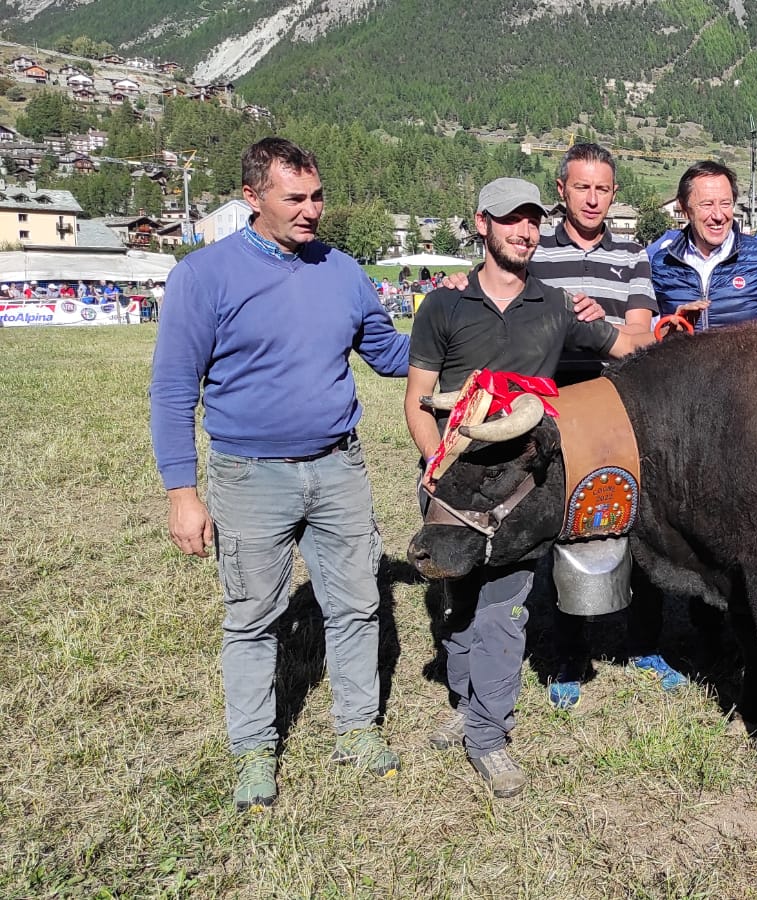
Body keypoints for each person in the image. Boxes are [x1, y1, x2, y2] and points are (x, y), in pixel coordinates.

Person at [149, 137, 409, 812]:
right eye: (294, 198)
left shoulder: (343, 271)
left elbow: (387, 354)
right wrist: (183, 492)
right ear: (251, 197)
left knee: (356, 604)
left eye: (317, 195)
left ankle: (356, 732)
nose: (311, 210)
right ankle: (255, 751)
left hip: (338, 469)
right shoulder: (203, 277)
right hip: (248, 477)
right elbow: (174, 389)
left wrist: (465, 331)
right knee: (253, 619)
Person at [403, 177, 658, 797]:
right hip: (449, 480)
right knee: (455, 599)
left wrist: (649, 330)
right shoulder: (444, 306)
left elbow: (632, 344)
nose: (523, 230)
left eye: (531, 220)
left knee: (502, 607)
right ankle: (465, 705)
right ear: (481, 224)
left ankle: (487, 734)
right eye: (509, 219)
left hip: (520, 491)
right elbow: (417, 399)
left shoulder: (557, 305)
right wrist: (439, 469)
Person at [534, 143, 684, 711]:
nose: (593, 198)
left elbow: (643, 338)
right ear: (561, 191)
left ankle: (644, 641)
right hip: (556, 405)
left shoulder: (633, 256)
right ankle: (567, 652)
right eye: (582, 187)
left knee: (639, 523)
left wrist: (607, 323)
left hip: (622, 408)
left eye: (603, 189)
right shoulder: (536, 253)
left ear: (614, 194)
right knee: (565, 526)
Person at [648, 160, 757, 327]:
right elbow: (650, 336)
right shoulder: (660, 264)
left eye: (725, 204)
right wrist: (671, 330)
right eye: (707, 204)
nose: (718, 215)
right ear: (685, 208)